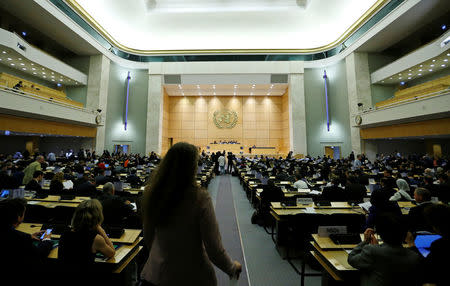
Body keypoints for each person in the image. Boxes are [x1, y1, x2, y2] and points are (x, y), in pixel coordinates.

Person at [140, 142, 241, 286]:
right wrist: (231, 267)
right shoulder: (199, 197)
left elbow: (148, 235)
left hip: (157, 274)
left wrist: (162, 256)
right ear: (191, 167)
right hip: (192, 276)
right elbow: (213, 247)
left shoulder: (153, 193)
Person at [348, 213, 422, 286]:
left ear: (381, 234)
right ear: (405, 234)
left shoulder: (372, 250)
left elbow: (351, 259)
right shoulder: (414, 257)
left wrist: (365, 242)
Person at [58, 199, 115, 279]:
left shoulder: (64, 234)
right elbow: (112, 253)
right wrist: (102, 231)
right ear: (98, 216)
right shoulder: (96, 239)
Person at [0, 198, 53, 283]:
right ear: (18, 217)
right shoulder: (20, 240)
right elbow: (39, 253)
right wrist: (46, 239)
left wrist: (29, 236)